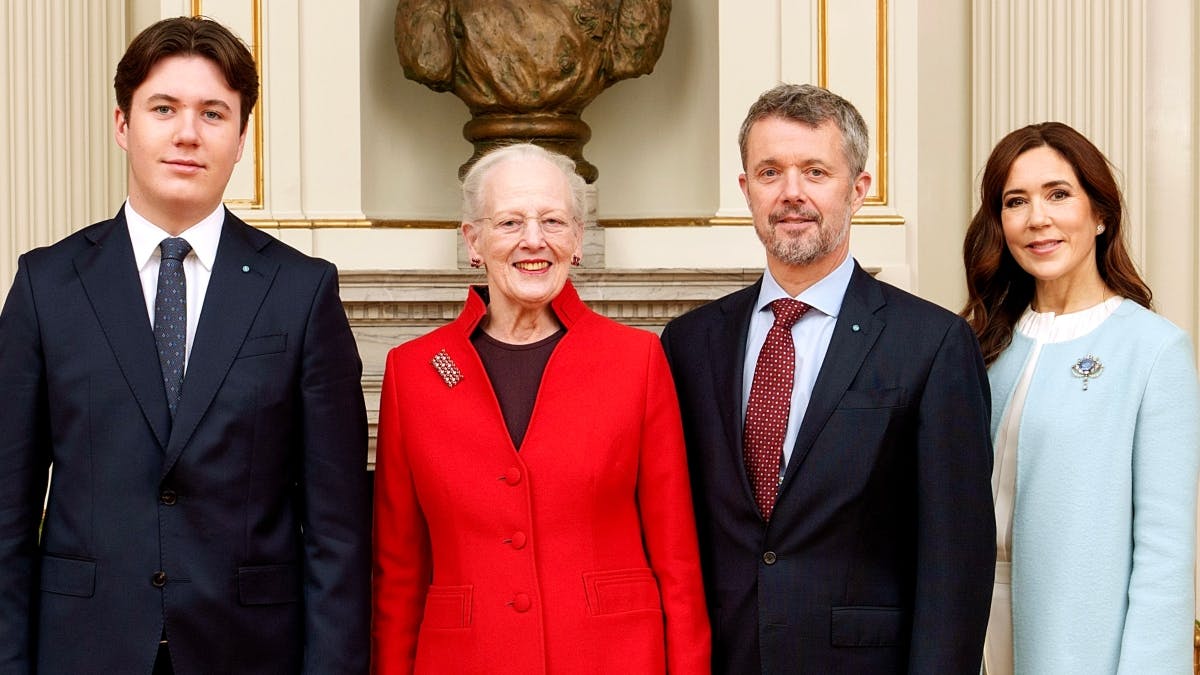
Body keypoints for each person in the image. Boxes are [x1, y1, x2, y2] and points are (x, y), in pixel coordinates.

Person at [0, 16, 371, 674]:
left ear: (240, 138)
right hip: (83, 650)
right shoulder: (45, 285)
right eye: (163, 108)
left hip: (251, 651)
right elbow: (7, 513)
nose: (187, 134)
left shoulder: (302, 292)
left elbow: (337, 533)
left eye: (213, 113)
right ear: (123, 125)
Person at [660, 83, 995, 673]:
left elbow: (955, 566)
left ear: (858, 189)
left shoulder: (934, 344)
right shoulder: (690, 344)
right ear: (746, 190)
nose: (792, 194)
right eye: (769, 173)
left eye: (816, 171)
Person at [371, 143, 710, 673]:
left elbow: (678, 561)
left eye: (553, 221)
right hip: (465, 658)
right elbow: (398, 570)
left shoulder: (636, 360)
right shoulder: (414, 371)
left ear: (576, 240)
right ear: (473, 241)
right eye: (509, 222)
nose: (534, 241)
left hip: (612, 657)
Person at [963, 121, 1200, 674]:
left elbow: (1165, 551)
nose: (1037, 218)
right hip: (974, 627)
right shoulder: (979, 345)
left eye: (1058, 194)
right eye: (1015, 201)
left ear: (1099, 215)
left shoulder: (1155, 349)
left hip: (1081, 638)